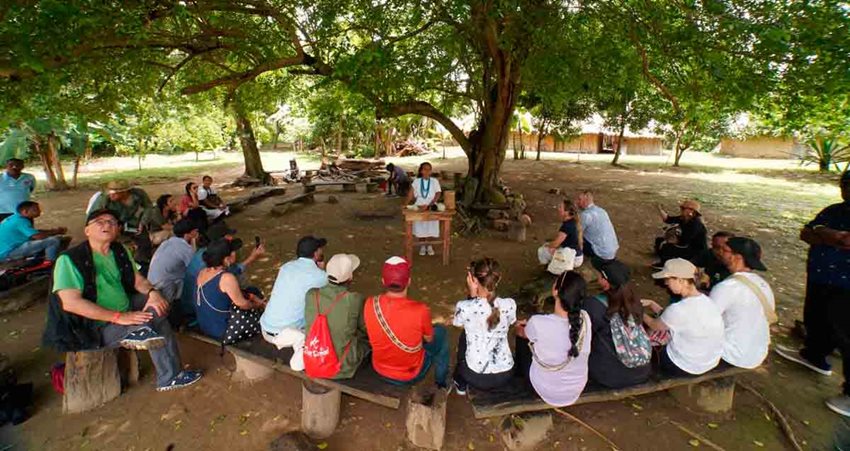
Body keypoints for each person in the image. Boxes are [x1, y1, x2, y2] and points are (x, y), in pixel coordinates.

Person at [44, 208, 202, 391]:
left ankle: (143, 333)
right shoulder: (70, 259)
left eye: (112, 222)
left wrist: (152, 293)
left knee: (160, 303)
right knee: (156, 320)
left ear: (118, 229)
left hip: (125, 307)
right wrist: (118, 317)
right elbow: (71, 303)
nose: (107, 225)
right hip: (93, 326)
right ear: (87, 230)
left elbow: (137, 280)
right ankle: (166, 370)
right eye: (100, 222)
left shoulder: (119, 250)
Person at [775, 171, 850, 417]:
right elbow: (805, 232)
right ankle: (814, 356)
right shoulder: (835, 210)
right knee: (817, 317)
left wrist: (825, 234)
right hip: (821, 276)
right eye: (843, 184)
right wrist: (826, 234)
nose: (845, 189)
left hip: (846, 284)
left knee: (846, 333)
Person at [364, 256, 450, 388]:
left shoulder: (370, 303)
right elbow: (429, 339)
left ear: (383, 281)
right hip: (410, 374)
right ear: (408, 281)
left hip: (380, 369)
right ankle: (441, 383)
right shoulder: (421, 310)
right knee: (441, 333)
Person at [514, 271, 592, 407]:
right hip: (575, 389)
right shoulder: (585, 318)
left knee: (522, 338)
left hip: (546, 389)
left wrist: (519, 328)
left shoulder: (537, 322)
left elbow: (523, 334)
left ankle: (520, 374)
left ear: (556, 291)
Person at [642, 258, 724, 377]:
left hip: (685, 367)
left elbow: (654, 325)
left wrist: (638, 311)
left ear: (680, 280)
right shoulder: (707, 301)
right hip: (709, 361)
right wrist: (652, 304)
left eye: (667, 279)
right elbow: (670, 318)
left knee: (648, 345)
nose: (665, 283)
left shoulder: (678, 309)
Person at [261, 236, 329, 371]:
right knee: (323, 324)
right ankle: (300, 358)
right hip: (286, 334)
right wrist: (322, 271)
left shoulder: (286, 267)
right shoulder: (321, 277)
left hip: (266, 327)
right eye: (320, 249)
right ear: (316, 254)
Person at [451, 258, 516, 394]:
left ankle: (461, 385)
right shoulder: (510, 304)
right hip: (505, 373)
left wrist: (472, 295)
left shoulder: (464, 307)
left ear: (473, 280)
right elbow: (509, 321)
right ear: (499, 278)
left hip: (475, 376)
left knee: (464, 335)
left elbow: (457, 323)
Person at [583, 260, 651, 389]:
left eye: (599, 276)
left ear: (605, 282)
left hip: (610, 376)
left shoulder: (592, 305)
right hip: (641, 372)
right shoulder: (636, 303)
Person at [710, 237, 775, 369]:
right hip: (756, 354)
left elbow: (704, 322)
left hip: (730, 356)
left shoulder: (727, 287)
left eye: (725, 250)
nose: (720, 252)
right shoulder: (763, 285)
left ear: (737, 257)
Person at [304, 253, 370, 379]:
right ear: (350, 277)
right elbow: (366, 328)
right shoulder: (353, 299)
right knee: (366, 342)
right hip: (340, 368)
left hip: (313, 360)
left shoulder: (311, 295)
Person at [195, 239, 266, 341]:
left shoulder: (202, 272)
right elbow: (244, 305)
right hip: (221, 331)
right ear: (227, 259)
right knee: (257, 308)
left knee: (251, 291)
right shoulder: (226, 278)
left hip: (205, 324)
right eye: (232, 252)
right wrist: (257, 305)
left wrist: (252, 257)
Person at [147, 219, 200, 304]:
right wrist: (194, 241)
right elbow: (195, 265)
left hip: (151, 280)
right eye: (195, 231)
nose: (198, 233)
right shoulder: (184, 248)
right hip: (163, 284)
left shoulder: (168, 242)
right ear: (188, 234)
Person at [0, 201, 67, 263]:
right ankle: (51, 263)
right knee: (53, 240)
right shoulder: (21, 221)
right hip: (8, 252)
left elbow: (33, 232)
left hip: (5, 251)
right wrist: (56, 232)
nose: (39, 211)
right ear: (25, 212)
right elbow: (37, 236)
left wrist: (53, 231)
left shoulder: (14, 218)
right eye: (35, 210)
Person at [653, 199, 708, 265]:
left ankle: (664, 263)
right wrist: (660, 210)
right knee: (659, 241)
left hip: (695, 251)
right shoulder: (684, 218)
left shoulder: (695, 224)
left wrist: (673, 240)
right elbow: (668, 219)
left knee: (667, 247)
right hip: (687, 244)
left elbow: (684, 241)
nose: (681, 209)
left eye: (683, 208)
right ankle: (662, 255)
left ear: (692, 211)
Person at [406, 162, 442, 256]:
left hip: (431, 205)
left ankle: (429, 245)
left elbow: (438, 193)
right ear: (421, 171)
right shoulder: (417, 181)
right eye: (425, 169)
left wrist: (430, 204)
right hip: (419, 205)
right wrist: (405, 204)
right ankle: (422, 245)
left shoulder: (434, 181)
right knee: (420, 226)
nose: (427, 171)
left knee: (431, 225)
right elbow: (411, 194)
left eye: (429, 169)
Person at [537, 199, 584, 271]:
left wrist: (549, 245)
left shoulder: (567, 226)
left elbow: (556, 244)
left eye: (560, 207)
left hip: (572, 257)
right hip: (577, 255)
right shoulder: (573, 221)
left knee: (542, 250)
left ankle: (547, 268)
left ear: (566, 212)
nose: (558, 209)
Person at [576, 190, 619, 267]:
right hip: (612, 251)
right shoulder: (601, 210)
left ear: (586, 201)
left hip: (601, 253)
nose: (577, 202)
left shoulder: (586, 215)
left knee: (573, 237)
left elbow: (577, 232)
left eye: (579, 199)